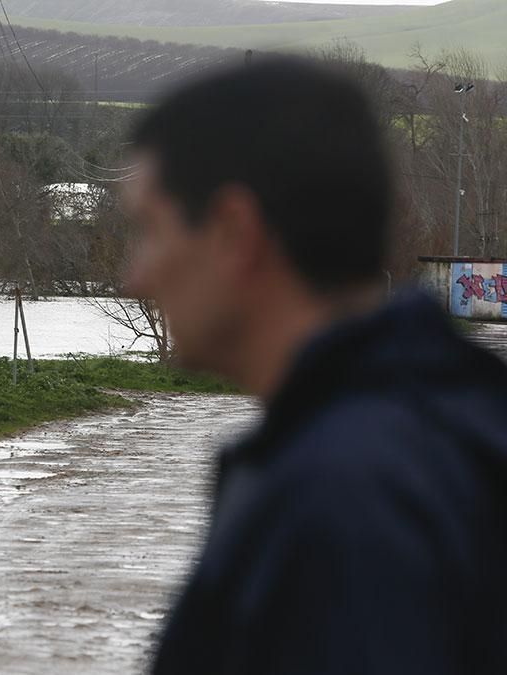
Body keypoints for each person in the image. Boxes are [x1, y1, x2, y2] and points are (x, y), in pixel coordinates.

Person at [127, 58, 507, 673]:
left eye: (150, 229)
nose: (135, 277)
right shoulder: (449, 423)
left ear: (233, 232)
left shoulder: (342, 501)